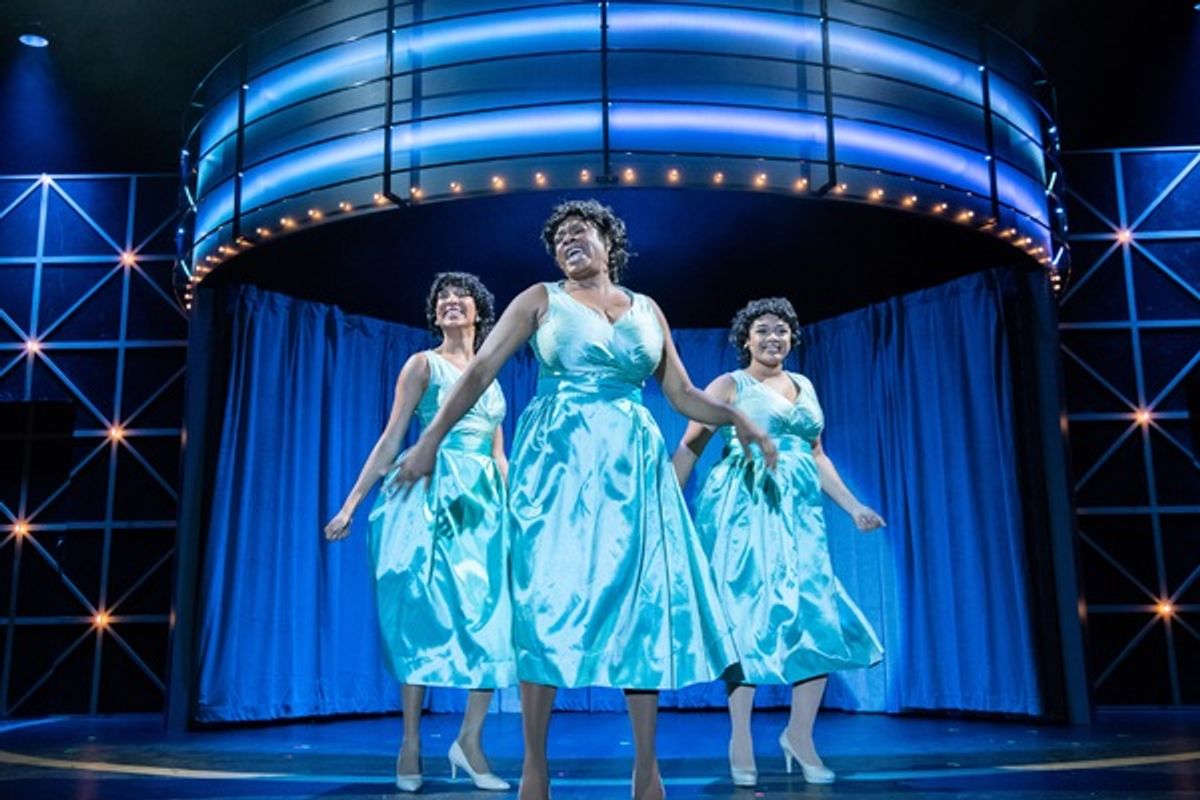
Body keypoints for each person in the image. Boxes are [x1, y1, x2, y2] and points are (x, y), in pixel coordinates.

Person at [393, 200, 776, 800]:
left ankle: (646, 771)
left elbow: (679, 393)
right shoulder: (539, 299)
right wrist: (431, 441)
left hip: (633, 468)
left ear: (609, 242)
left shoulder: (648, 310)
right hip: (558, 467)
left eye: (580, 233)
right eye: (559, 240)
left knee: (640, 608)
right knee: (543, 605)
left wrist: (737, 419)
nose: (568, 244)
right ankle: (534, 770)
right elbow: (479, 371)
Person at [672, 297, 884, 787]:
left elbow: (816, 455)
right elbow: (691, 444)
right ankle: (740, 738)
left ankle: (800, 736)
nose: (773, 338)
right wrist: (667, 502)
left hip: (799, 515)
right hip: (743, 510)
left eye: (782, 331)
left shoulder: (805, 385)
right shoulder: (730, 384)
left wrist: (854, 507)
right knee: (744, 617)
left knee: (816, 618)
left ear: (793, 338)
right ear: (745, 338)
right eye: (763, 330)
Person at [324, 272, 513, 793]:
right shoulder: (422, 365)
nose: (452, 303)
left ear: (479, 311)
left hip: (482, 507)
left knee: (493, 617)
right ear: (435, 314)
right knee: (418, 615)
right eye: (443, 299)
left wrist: (515, 510)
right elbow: (391, 438)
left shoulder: (491, 376)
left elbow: (498, 456)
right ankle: (410, 742)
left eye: (462, 297)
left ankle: (470, 741)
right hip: (427, 493)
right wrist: (351, 504)